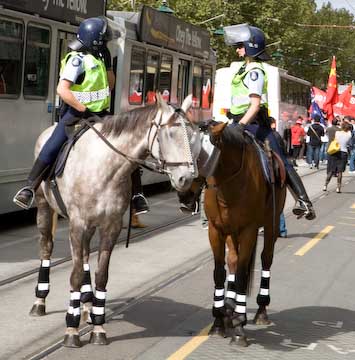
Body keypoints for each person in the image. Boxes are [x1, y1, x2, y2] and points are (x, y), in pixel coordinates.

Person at [13, 17, 149, 216]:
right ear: (95, 41)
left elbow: (109, 86)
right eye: (105, 42)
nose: (106, 45)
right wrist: (81, 107)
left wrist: (109, 65)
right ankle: (29, 188)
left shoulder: (100, 58)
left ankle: (137, 195)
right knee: (53, 144)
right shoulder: (76, 60)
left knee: (127, 146)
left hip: (101, 114)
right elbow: (62, 89)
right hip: (76, 113)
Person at [217, 24, 315, 220]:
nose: (237, 49)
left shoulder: (255, 71)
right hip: (237, 120)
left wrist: (240, 126)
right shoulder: (243, 68)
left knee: (282, 160)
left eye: (240, 45)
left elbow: (254, 105)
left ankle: (304, 200)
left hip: (253, 125)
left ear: (251, 46)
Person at [323, 122, 352, 193]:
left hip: (336, 151)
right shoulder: (349, 135)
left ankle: (325, 185)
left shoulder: (337, 133)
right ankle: (338, 188)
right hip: (343, 153)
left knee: (331, 170)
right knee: (340, 172)